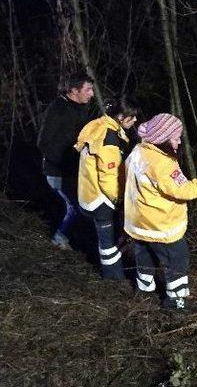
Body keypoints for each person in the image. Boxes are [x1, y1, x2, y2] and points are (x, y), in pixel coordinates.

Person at [124, 113, 197, 310]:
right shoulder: (163, 164)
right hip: (161, 227)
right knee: (177, 260)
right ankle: (176, 301)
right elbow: (185, 190)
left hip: (138, 222)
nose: (179, 141)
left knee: (144, 254)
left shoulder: (138, 151)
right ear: (163, 139)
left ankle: (143, 291)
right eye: (176, 137)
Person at [75, 97, 139, 279]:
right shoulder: (110, 138)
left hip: (87, 191)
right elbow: (108, 178)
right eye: (131, 117)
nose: (135, 120)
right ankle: (114, 278)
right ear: (120, 116)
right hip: (100, 198)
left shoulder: (98, 125)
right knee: (107, 243)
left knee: (108, 239)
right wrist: (119, 200)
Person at [38, 71, 95, 249]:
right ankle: (59, 237)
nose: (92, 93)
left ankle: (65, 236)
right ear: (73, 90)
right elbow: (43, 142)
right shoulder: (59, 109)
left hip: (73, 171)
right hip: (59, 172)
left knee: (78, 207)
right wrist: (64, 164)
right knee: (77, 208)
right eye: (88, 89)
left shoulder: (79, 108)